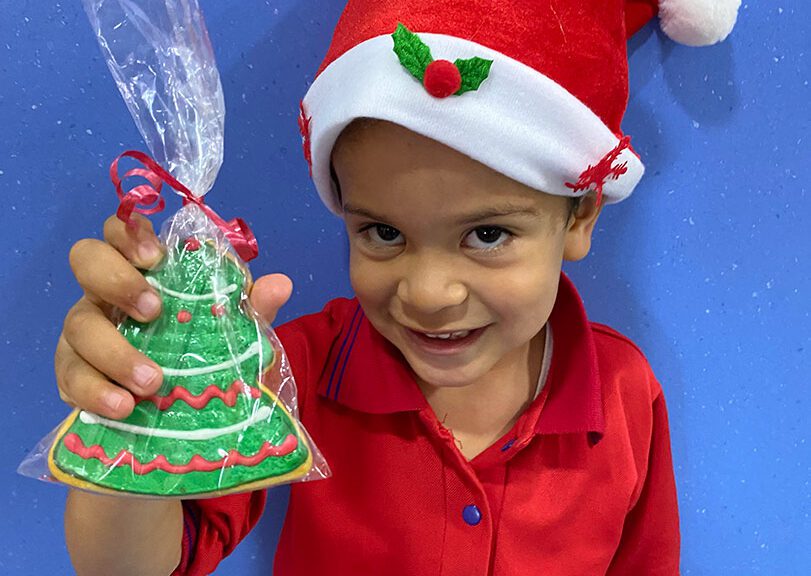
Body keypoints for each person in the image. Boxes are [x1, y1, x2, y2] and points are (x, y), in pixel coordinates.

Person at [54, 0, 740, 574]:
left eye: (488, 234)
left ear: (580, 216)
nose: (430, 291)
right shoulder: (291, 370)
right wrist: (134, 408)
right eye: (382, 233)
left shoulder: (623, 392)